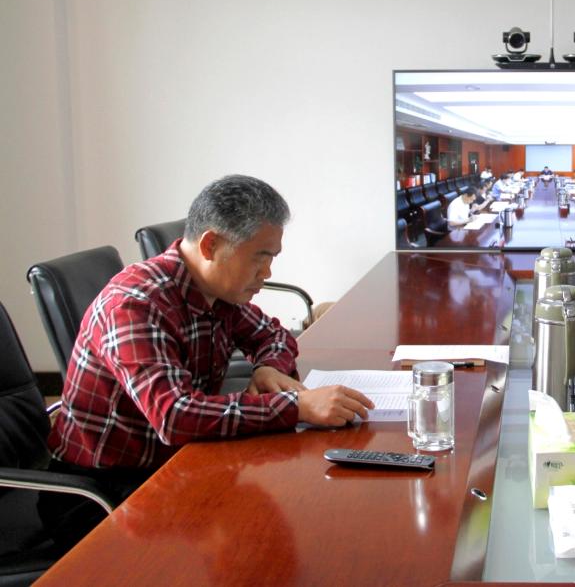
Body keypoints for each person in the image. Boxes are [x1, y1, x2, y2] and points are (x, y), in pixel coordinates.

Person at [43, 174, 375, 545]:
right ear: (211, 245)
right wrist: (296, 407)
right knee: (289, 523)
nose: (268, 273)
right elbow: (174, 415)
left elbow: (273, 335)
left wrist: (268, 368)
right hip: (102, 492)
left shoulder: (215, 289)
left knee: (309, 506)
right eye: (260, 257)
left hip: (174, 462)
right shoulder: (135, 305)